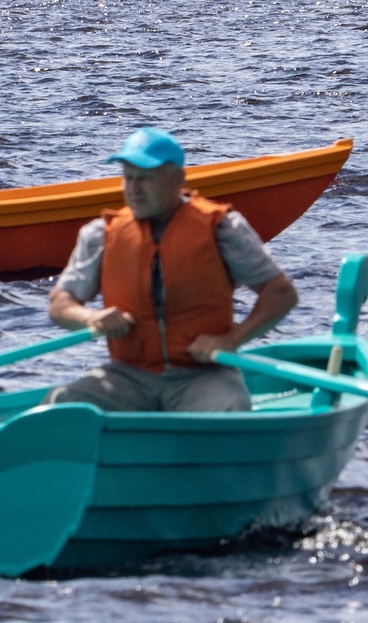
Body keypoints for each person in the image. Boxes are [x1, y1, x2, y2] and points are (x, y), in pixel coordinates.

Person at [44, 128, 299, 413]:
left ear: (177, 180)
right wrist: (90, 318)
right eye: (128, 178)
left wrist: (231, 340)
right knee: (60, 405)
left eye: (145, 179)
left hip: (202, 374)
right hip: (130, 376)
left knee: (230, 408)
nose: (134, 189)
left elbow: (280, 293)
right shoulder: (100, 234)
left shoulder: (222, 228)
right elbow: (60, 304)